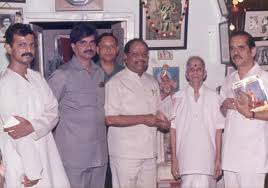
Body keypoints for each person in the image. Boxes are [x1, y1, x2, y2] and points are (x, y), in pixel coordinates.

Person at [0, 23, 70, 187]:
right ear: (9, 48)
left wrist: (32, 125)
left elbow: (54, 113)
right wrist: (32, 171)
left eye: (32, 45)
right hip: (23, 164)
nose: (28, 49)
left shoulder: (37, 77)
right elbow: (17, 134)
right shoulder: (5, 84)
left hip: (47, 153)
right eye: (22, 44)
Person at [48, 23, 108, 188]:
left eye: (92, 42)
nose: (89, 47)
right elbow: (47, 114)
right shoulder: (62, 75)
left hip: (99, 155)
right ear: (73, 46)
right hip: (73, 157)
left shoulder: (99, 73)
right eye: (83, 42)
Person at [105, 38, 170, 188]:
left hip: (149, 153)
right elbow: (110, 119)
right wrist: (144, 119)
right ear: (125, 57)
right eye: (135, 53)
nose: (141, 57)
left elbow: (157, 112)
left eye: (144, 54)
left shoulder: (152, 81)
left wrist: (164, 123)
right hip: (125, 154)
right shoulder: (116, 82)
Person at [220, 31, 268, 187]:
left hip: (253, 157)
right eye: (233, 48)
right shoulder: (228, 79)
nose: (236, 52)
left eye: (241, 47)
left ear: (253, 51)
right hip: (230, 156)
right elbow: (222, 114)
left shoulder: (265, 78)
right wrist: (225, 105)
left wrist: (251, 113)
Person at [170, 56, 224, 188]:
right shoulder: (177, 98)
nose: (195, 72)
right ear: (187, 74)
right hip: (185, 159)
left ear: (204, 73)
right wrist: (174, 159)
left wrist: (218, 158)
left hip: (207, 160)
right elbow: (173, 131)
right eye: (191, 69)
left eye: (199, 68)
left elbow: (218, 131)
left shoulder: (215, 98)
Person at [96, 33, 124, 188]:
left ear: (117, 49)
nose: (108, 50)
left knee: (117, 176)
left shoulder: (125, 73)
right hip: (94, 131)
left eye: (111, 46)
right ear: (97, 49)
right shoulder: (89, 72)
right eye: (104, 46)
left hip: (119, 131)